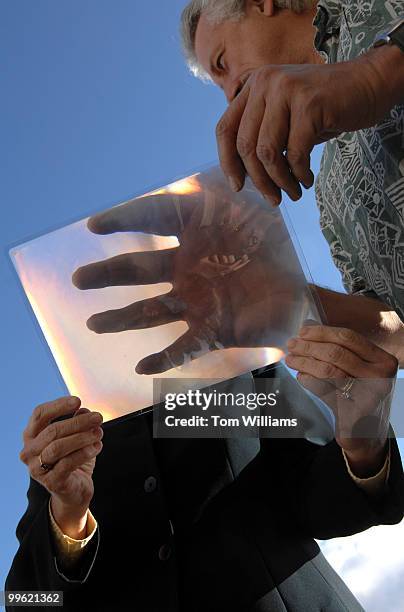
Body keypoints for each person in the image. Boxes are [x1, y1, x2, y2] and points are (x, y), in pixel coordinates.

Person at [5, 189, 404, 611]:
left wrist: (363, 441)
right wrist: (68, 516)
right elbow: (23, 600)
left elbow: (319, 503)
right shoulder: (67, 448)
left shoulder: (235, 373)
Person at [180, 0, 404, 362]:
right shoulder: (330, 197)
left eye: (223, 63)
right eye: (217, 86)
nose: (229, 93)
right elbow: (395, 331)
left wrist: (380, 73)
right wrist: (294, 298)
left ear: (261, 5)